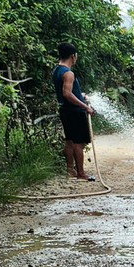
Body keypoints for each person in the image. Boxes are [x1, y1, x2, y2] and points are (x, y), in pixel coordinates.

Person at [53, 42, 95, 181]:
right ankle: (81, 173)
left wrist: (80, 95)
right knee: (79, 143)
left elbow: (66, 92)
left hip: (65, 110)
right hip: (74, 111)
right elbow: (67, 93)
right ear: (73, 56)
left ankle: (70, 171)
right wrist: (85, 106)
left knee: (70, 141)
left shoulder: (57, 70)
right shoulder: (68, 73)